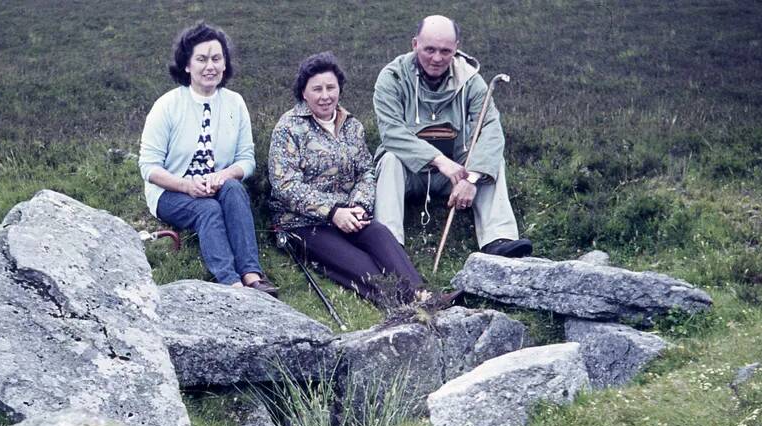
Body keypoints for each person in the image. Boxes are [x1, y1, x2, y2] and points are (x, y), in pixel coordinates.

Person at [268, 52, 427, 309]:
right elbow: (285, 185)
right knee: (360, 266)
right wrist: (332, 212)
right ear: (303, 93)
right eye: (316, 89)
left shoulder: (352, 125)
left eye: (331, 87)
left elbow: (366, 171)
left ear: (339, 89)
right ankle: (404, 305)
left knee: (379, 233)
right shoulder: (288, 128)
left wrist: (358, 206)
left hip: (350, 215)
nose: (325, 95)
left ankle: (422, 296)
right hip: (303, 223)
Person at [372, 15, 533, 258]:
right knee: (390, 159)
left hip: (457, 174)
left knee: (491, 161)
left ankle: (498, 238)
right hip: (410, 174)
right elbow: (391, 132)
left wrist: (472, 178)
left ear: (456, 48)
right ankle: (388, 244)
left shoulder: (471, 80)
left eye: (445, 51)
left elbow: (490, 127)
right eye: (429, 49)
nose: (437, 58)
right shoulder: (391, 77)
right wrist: (439, 160)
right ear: (414, 44)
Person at [139, 22, 278, 296]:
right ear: (187, 65)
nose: (210, 66)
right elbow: (149, 167)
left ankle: (252, 273)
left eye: (216, 59)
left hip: (216, 186)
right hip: (170, 192)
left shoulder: (235, 103)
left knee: (235, 189)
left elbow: (246, 159)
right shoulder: (167, 105)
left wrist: (224, 175)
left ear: (225, 65)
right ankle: (230, 282)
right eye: (201, 59)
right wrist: (186, 186)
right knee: (208, 210)